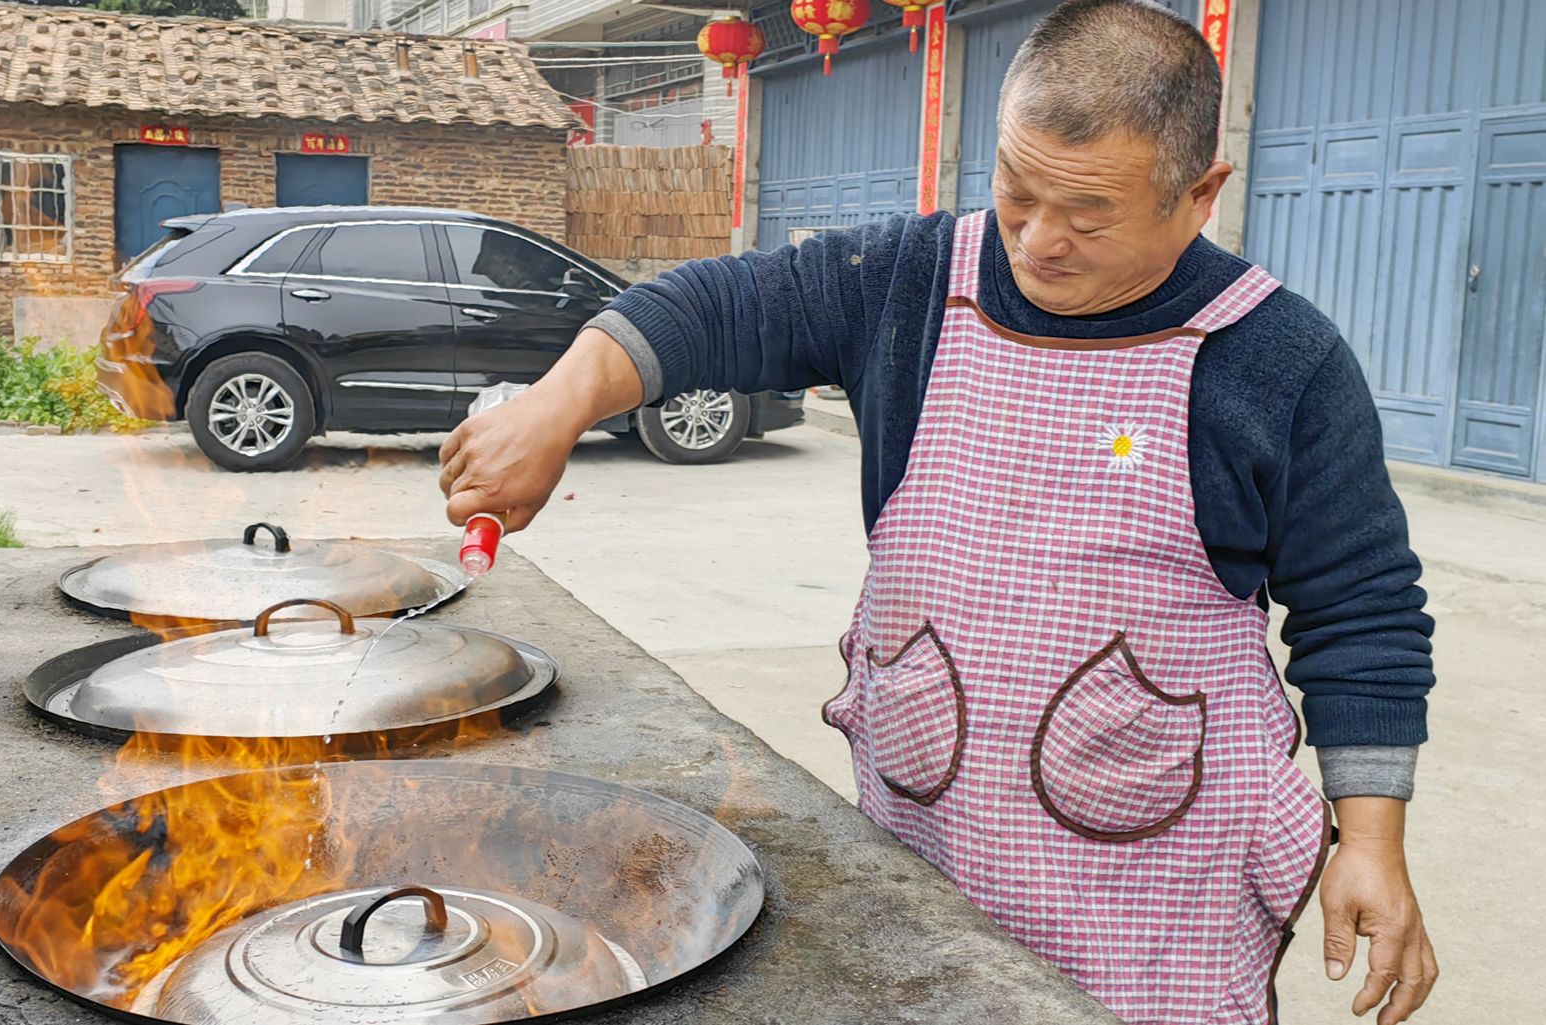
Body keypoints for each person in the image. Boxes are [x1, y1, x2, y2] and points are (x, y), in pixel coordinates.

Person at [438, 2, 1438, 1022]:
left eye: (1087, 216)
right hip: (929, 833)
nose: (1039, 242)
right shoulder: (909, 284)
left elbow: (1361, 607)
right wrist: (553, 408)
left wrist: (1370, 838)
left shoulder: (1278, 358)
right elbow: (711, 308)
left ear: (1199, 195)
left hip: (1157, 887)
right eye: (1014, 193)